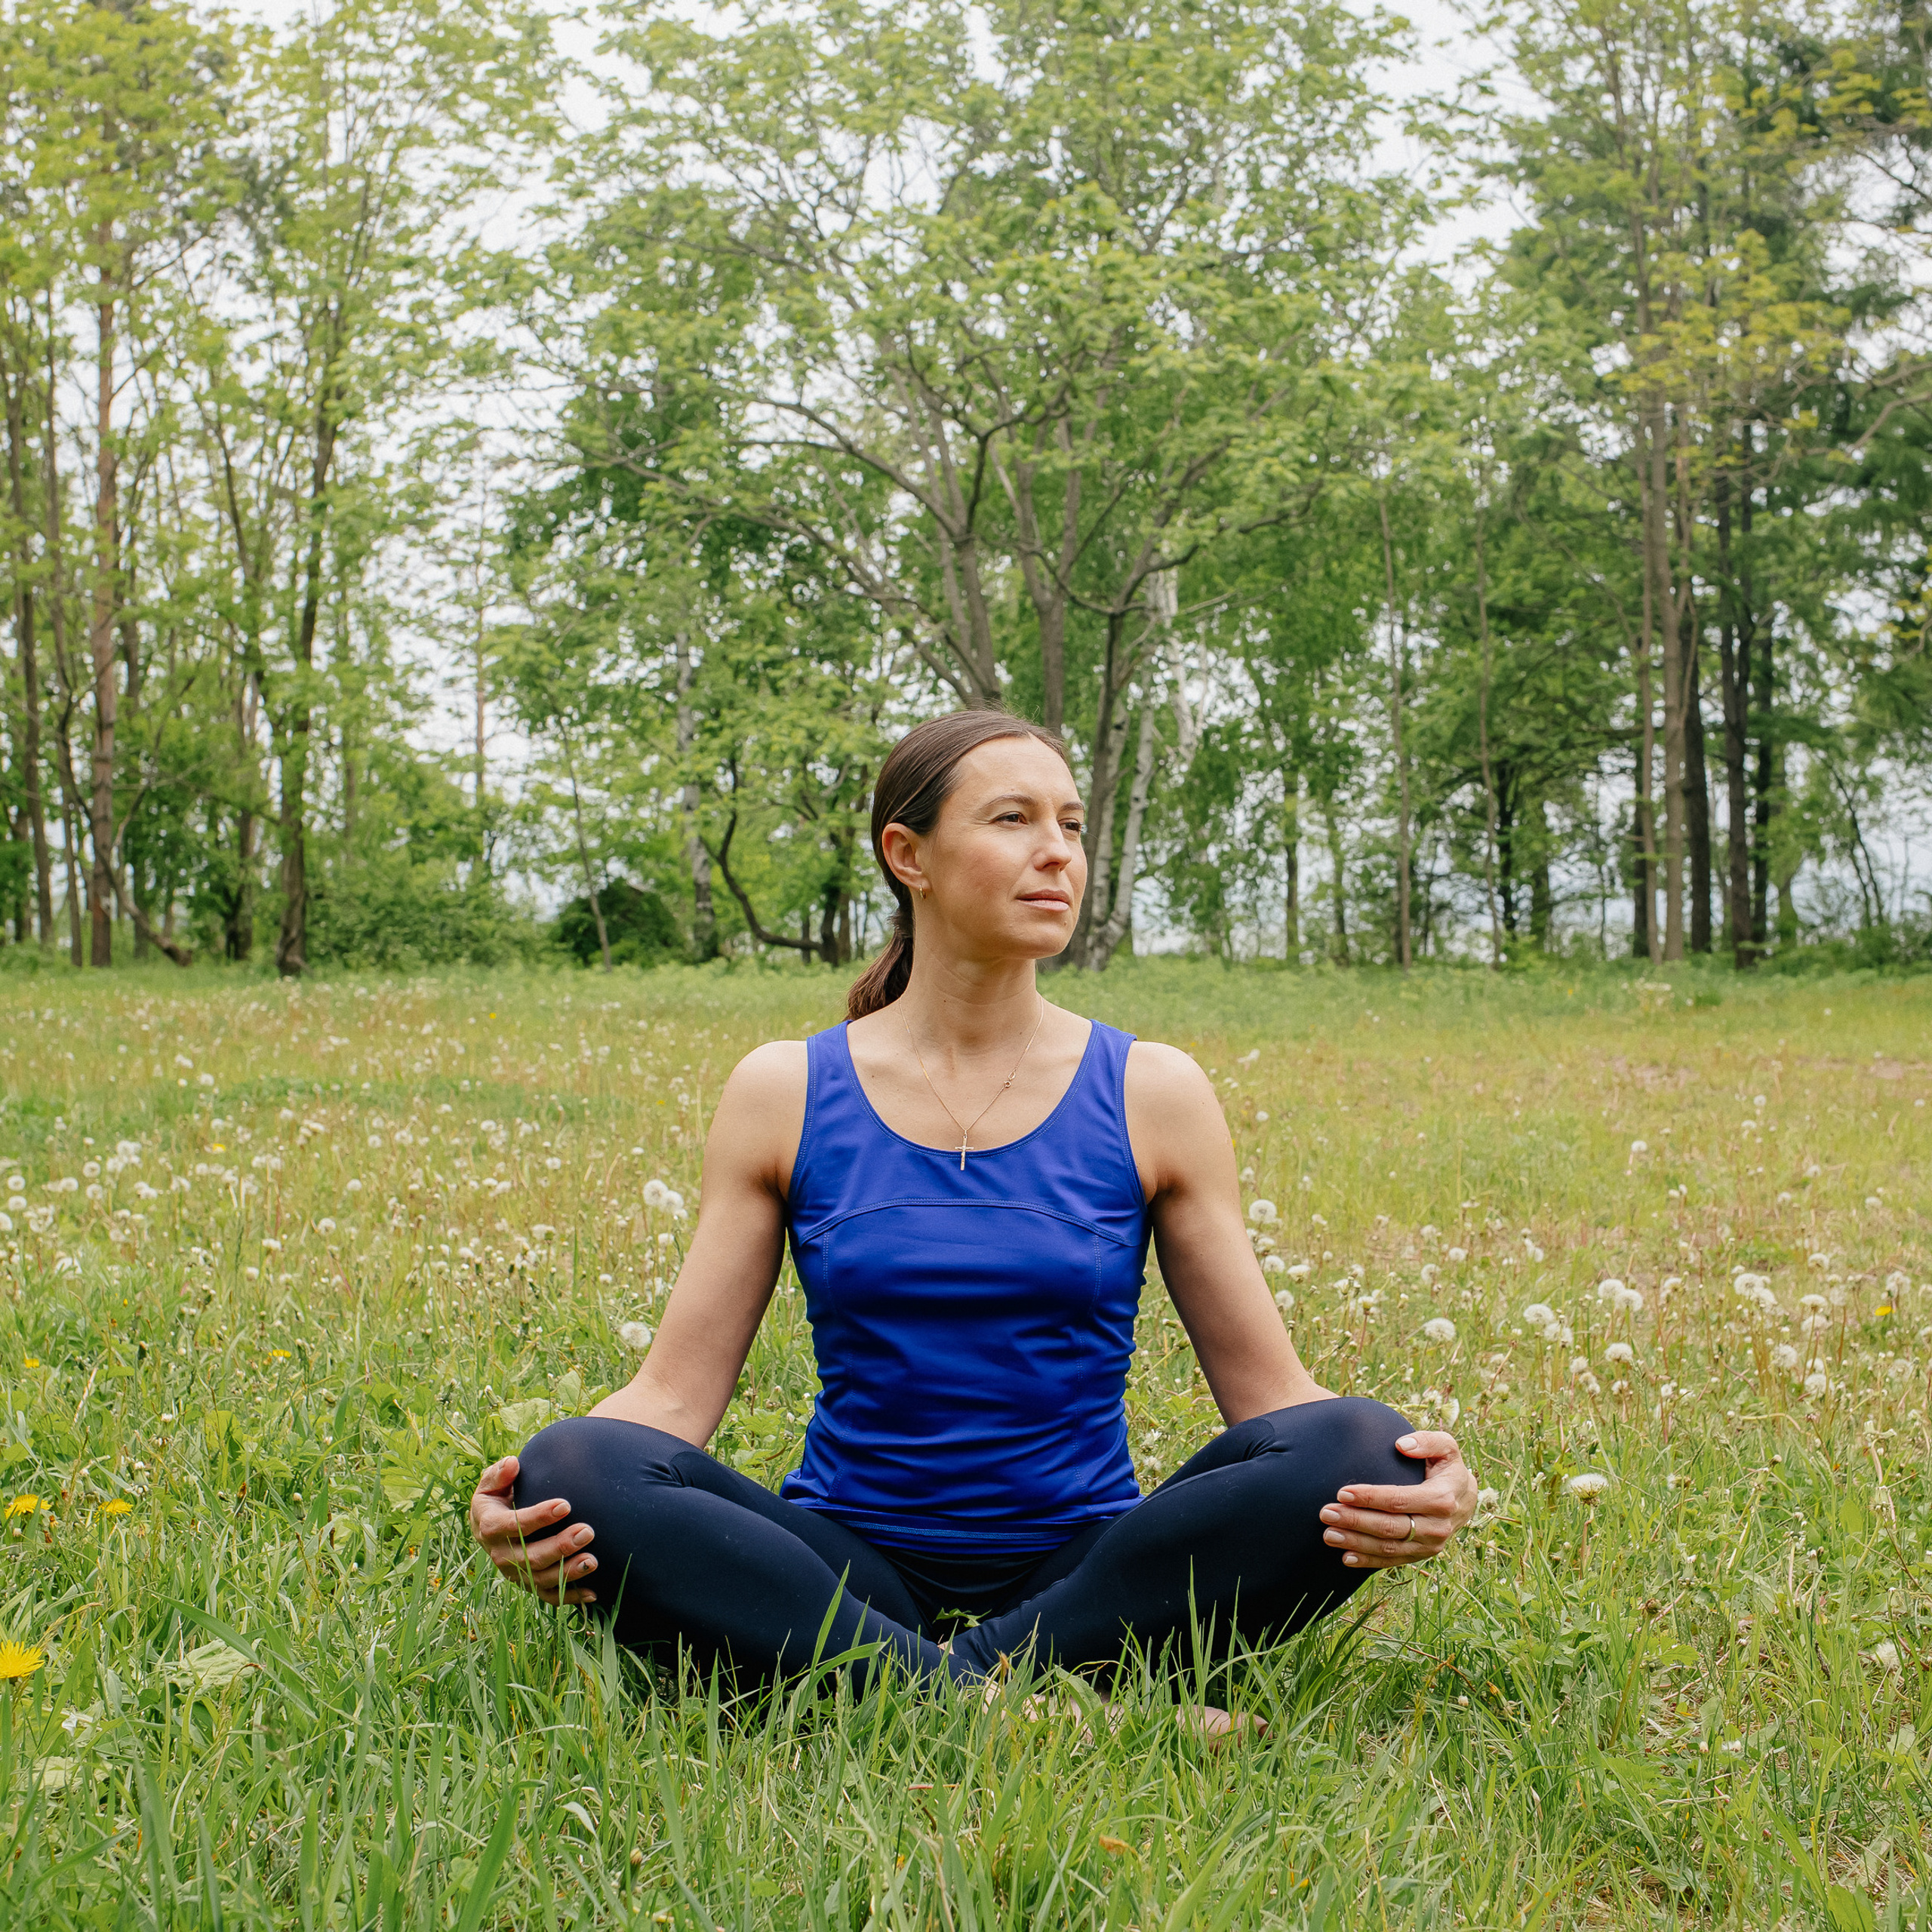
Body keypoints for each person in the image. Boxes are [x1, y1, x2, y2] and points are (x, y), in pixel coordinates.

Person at [469, 712, 1477, 1701]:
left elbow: (1271, 1404)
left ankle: (896, 1690)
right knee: (577, 1462)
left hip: (1091, 1571)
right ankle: (1007, 1704)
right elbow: (674, 1399)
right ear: (908, 854)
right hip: (844, 1566)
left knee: (1357, 1446)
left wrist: (1414, 1486)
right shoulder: (784, 1090)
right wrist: (542, 1495)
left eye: (1072, 826)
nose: (1057, 856)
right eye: (1013, 821)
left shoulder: (1152, 1090)